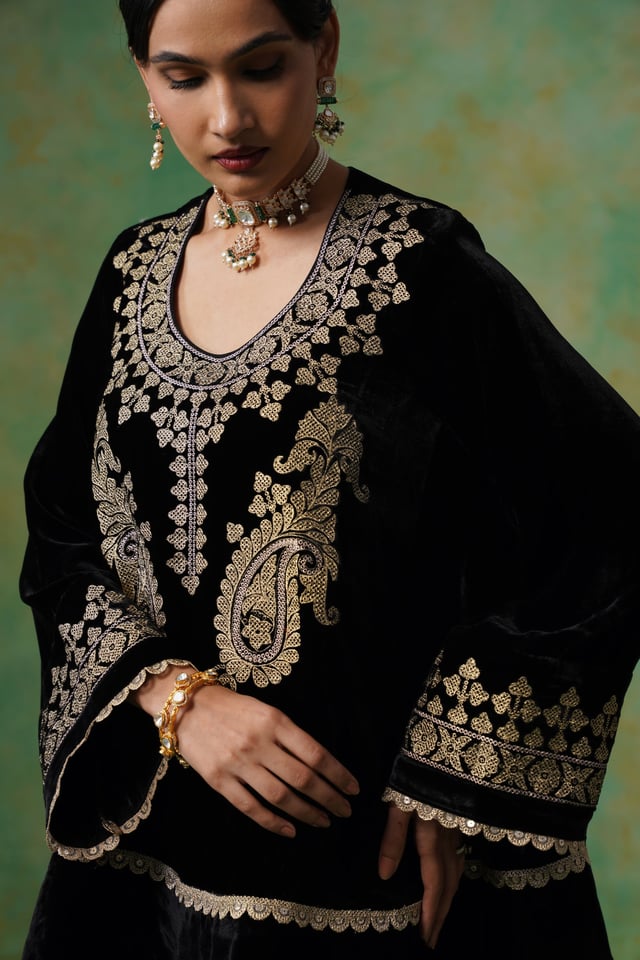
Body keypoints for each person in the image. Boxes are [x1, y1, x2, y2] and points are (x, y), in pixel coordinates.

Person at [19, 1, 640, 957]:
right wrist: (177, 699)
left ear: (325, 50)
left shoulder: (421, 266)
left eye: (262, 68)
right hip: (150, 856)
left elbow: (611, 504)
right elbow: (65, 528)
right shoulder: (131, 269)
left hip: (364, 869)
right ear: (144, 76)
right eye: (184, 78)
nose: (228, 118)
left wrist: (458, 778)